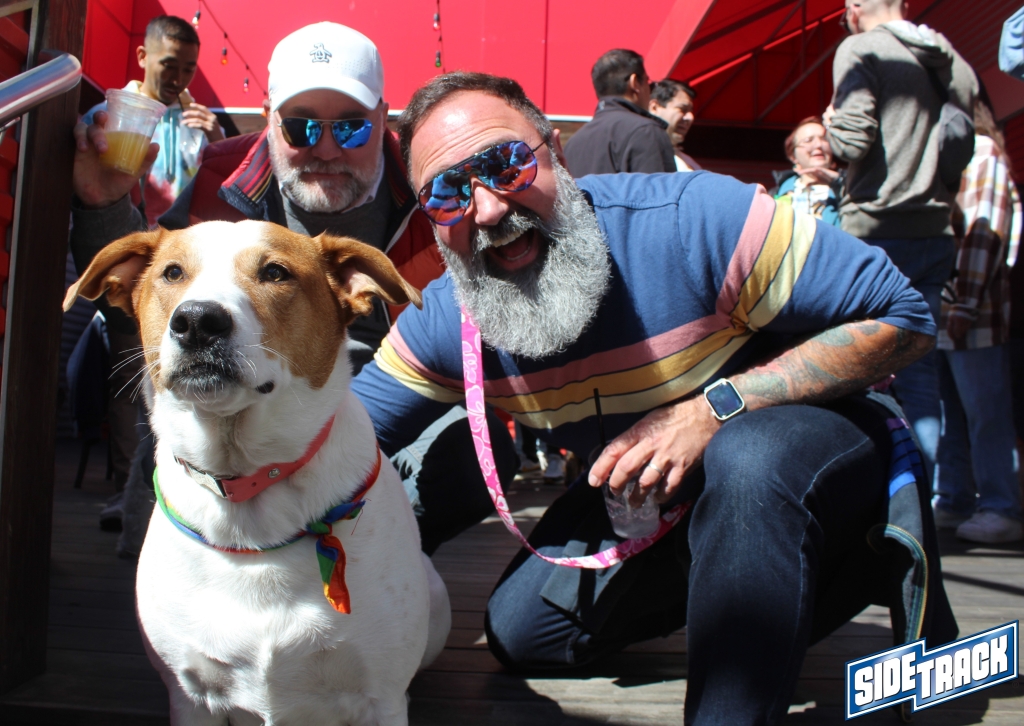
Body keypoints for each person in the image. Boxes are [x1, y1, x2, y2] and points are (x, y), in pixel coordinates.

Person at [352, 71, 957, 722]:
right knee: (523, 631)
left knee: (748, 459)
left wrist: (713, 409)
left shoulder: (695, 220)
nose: (490, 209)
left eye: (505, 164)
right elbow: (340, 431)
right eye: (447, 193)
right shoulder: (448, 320)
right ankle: (731, 582)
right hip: (655, 501)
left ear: (557, 152)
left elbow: (905, 316)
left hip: (803, 459)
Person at [68, 22, 498, 555]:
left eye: (350, 128)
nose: (325, 148)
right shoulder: (218, 178)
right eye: (299, 127)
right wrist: (105, 203)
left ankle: (369, 553)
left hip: (394, 398)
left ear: (383, 118)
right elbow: (145, 299)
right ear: (268, 117)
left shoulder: (434, 187)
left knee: (473, 453)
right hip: (227, 405)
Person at [825, 0, 977, 478]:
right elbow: (961, 146)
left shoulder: (861, 48)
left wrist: (830, 121)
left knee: (857, 370)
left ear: (853, 8)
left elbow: (851, 142)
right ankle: (928, 499)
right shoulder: (953, 60)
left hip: (876, 231)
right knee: (920, 377)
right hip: (934, 232)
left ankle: (877, 503)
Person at [933, 93, 1023, 543]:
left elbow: (985, 230)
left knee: (986, 414)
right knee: (951, 415)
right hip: (950, 311)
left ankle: (1000, 506)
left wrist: (966, 301)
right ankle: (955, 499)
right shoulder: (958, 153)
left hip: (973, 313)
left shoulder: (981, 152)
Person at [82, 15, 224, 227]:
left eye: (188, 69)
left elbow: (223, 191)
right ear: (142, 56)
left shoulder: (203, 124)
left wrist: (220, 143)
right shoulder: (106, 115)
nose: (178, 80)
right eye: (169, 65)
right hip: (116, 234)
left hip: (182, 242)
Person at [563, 49, 676, 176]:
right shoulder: (645, 131)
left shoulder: (573, 143)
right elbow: (660, 187)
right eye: (648, 82)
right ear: (635, 83)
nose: (650, 91)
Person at [772, 116, 843, 226]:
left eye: (824, 139)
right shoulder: (775, 195)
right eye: (808, 140)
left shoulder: (851, 189)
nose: (819, 145)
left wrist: (841, 184)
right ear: (793, 155)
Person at [648, 79, 701, 172]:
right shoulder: (643, 155)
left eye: (691, 111)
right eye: (682, 109)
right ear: (654, 107)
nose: (690, 117)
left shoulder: (689, 162)